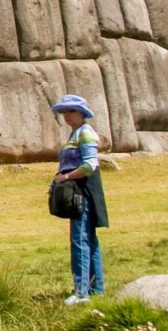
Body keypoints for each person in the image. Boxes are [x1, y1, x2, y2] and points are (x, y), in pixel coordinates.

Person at [52, 94, 109, 305]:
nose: (66, 116)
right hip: (75, 191)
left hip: (81, 193)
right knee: (88, 240)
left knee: (80, 241)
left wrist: (65, 177)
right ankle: (96, 289)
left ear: (82, 113)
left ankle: (81, 292)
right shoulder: (75, 134)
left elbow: (89, 166)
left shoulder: (85, 134)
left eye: (71, 111)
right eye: (64, 112)